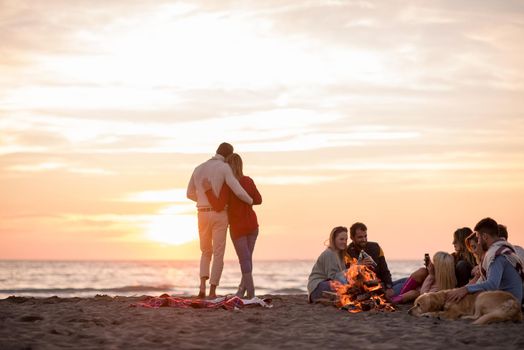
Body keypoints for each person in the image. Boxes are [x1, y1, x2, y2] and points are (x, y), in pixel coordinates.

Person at [186, 142, 253, 299]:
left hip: (201, 213)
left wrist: (202, 200)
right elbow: (237, 189)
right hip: (219, 214)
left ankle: (202, 286)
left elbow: (189, 193)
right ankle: (212, 291)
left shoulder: (198, 168)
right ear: (228, 155)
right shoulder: (224, 168)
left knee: (205, 251)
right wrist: (250, 201)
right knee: (218, 253)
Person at [203, 153, 262, 299]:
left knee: (245, 260)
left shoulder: (228, 185)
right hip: (253, 225)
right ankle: (242, 290)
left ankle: (251, 292)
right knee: (247, 259)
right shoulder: (248, 180)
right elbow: (258, 200)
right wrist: (246, 201)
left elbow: (218, 206)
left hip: (238, 228)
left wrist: (208, 190)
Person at [447, 217, 523, 303]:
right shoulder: (501, 249)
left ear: (485, 236)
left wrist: (466, 289)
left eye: (478, 238)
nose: (478, 242)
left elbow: (492, 285)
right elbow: (481, 283)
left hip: (507, 305)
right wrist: (461, 290)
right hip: (505, 300)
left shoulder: (497, 255)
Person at [346, 222, 394, 299]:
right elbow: (347, 275)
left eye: (365, 236)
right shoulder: (348, 251)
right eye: (360, 237)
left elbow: (385, 271)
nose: (364, 239)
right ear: (352, 237)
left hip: (382, 285)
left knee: (407, 280)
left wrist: (389, 287)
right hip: (365, 290)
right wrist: (359, 266)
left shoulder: (376, 247)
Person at [307, 226, 348, 303]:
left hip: (327, 286)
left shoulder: (340, 254)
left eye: (346, 239)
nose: (344, 242)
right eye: (341, 239)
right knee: (340, 285)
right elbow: (333, 277)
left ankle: (329, 300)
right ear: (334, 239)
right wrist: (352, 270)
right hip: (317, 286)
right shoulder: (329, 253)